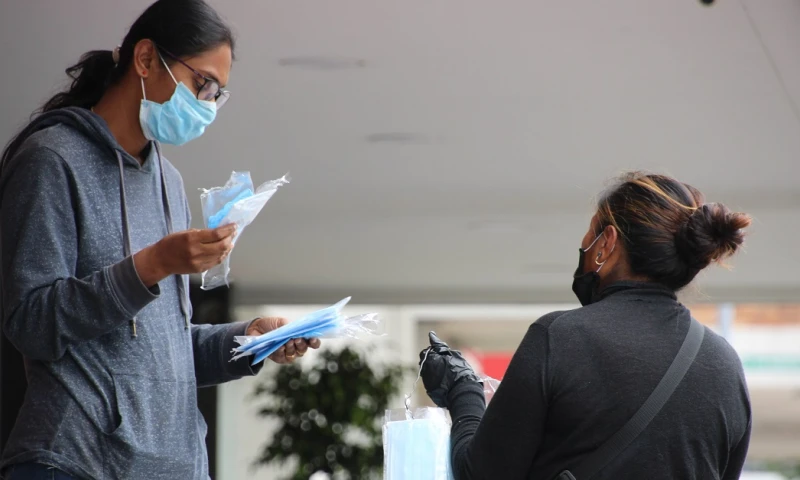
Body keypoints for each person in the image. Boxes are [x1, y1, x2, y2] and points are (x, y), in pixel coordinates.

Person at [0, 1, 319, 479]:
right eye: (202, 83)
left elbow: (156, 348)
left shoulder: (167, 182)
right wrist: (151, 265)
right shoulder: (52, 160)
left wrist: (247, 340)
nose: (208, 104)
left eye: (218, 94)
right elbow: (30, 322)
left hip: (168, 466)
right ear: (145, 59)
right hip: (75, 461)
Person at [420, 172, 752, 480]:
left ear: (607, 242)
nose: (584, 241)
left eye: (591, 230)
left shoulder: (560, 338)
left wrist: (462, 389)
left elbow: (481, 473)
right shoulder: (725, 364)